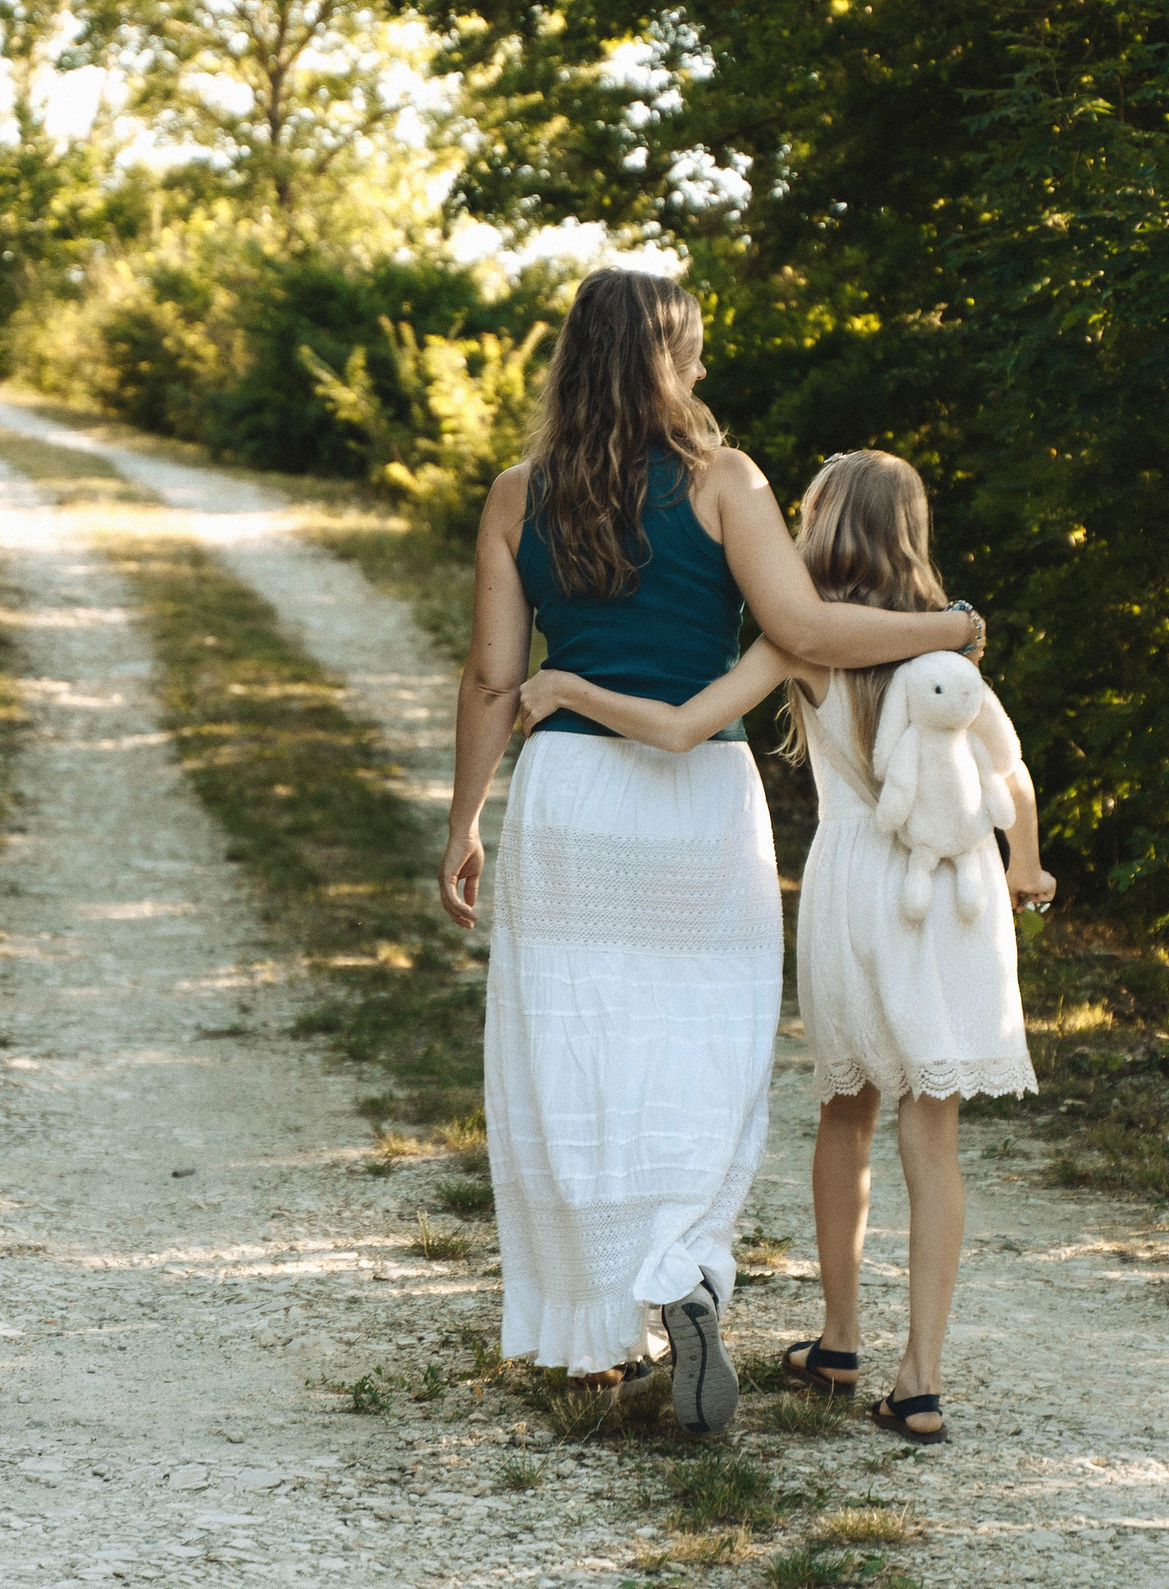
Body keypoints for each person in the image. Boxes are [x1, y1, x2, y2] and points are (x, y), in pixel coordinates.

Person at [439, 278, 984, 1436]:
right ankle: (682, 1264)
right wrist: (947, 626)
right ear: (655, 360)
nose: (701, 375)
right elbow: (803, 634)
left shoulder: (515, 497)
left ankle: (602, 1331)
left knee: (572, 1052)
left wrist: (464, 821)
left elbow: (492, 678)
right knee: (703, 1044)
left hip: (574, 793)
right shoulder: (723, 482)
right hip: (695, 799)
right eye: (689, 353)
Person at [516, 449, 1053, 1445]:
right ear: (912, 531)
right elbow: (1010, 774)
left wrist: (568, 690)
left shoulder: (799, 642)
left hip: (856, 889)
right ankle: (920, 1380)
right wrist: (1024, 866)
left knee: (843, 1116)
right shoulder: (948, 659)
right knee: (930, 1134)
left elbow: (682, 730)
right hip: (956, 898)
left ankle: (838, 1337)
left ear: (815, 526)